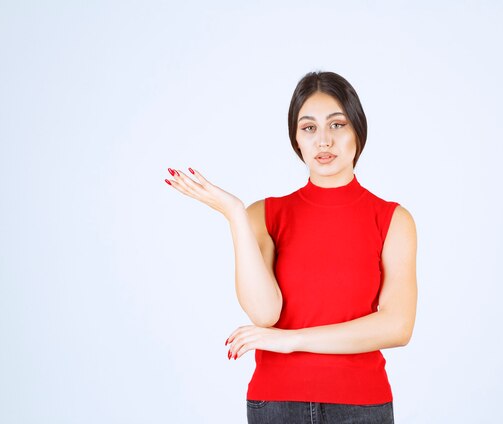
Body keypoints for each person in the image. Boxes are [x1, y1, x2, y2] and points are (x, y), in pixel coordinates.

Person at [164, 71, 418, 424]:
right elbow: (265, 314)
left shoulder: (393, 220)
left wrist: (290, 341)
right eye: (309, 128)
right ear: (296, 140)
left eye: (337, 125)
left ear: (358, 130)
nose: (323, 141)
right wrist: (235, 215)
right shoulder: (264, 215)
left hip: (361, 404)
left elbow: (397, 327)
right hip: (276, 404)